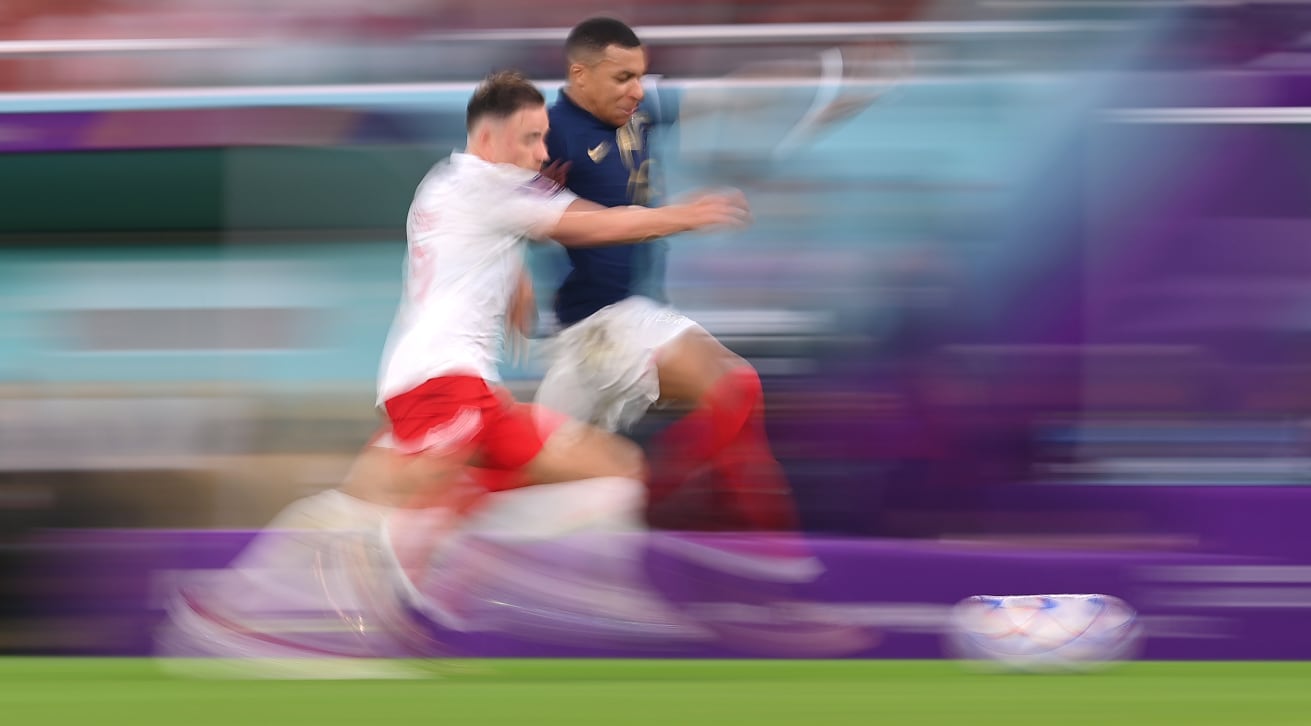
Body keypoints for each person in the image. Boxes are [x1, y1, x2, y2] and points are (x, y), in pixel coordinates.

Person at [536, 17, 834, 532]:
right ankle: (695, 523)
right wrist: (682, 216)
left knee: (559, 476)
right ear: (580, 74)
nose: (637, 90)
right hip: (599, 326)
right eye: (623, 78)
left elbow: (727, 94)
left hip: (621, 326)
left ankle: (729, 542)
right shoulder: (552, 134)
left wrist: (819, 73)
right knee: (735, 390)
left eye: (640, 76)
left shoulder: (636, 107)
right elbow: (548, 219)